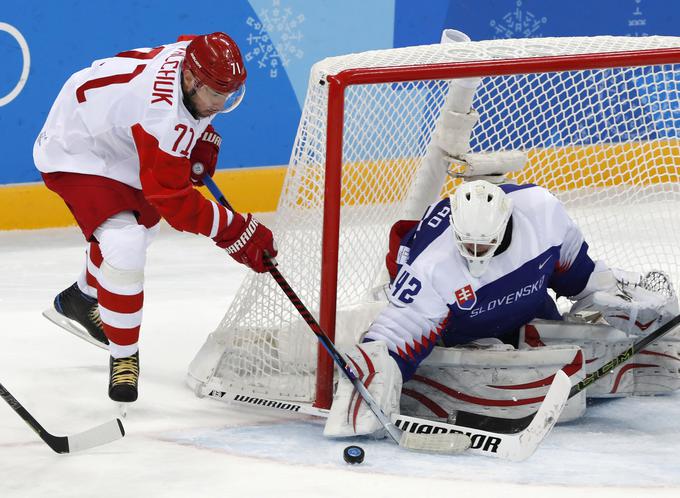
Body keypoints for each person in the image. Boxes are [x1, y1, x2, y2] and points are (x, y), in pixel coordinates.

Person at [324, 179, 678, 437]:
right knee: (527, 387)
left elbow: (578, 275)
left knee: (566, 351)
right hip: (457, 334)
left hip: (526, 310)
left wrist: (604, 292)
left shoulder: (543, 212)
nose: (475, 256)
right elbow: (394, 337)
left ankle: (628, 357)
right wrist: (371, 372)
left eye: (484, 247)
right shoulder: (432, 266)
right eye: (468, 247)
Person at [33, 32, 277, 404]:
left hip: (117, 133)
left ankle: (81, 299)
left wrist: (203, 135)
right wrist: (236, 230)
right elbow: (176, 204)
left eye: (228, 95)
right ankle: (123, 356)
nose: (221, 103)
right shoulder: (161, 116)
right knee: (125, 243)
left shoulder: (192, 61)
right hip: (77, 147)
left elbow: (189, 40)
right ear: (192, 81)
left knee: (140, 228)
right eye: (214, 95)